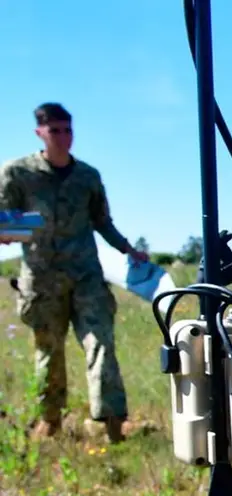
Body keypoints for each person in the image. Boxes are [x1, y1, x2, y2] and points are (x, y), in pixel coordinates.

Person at [0, 103, 149, 443]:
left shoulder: (87, 177)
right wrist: (25, 227)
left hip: (87, 278)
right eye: (56, 131)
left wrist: (128, 249)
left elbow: (101, 221)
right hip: (41, 281)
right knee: (49, 353)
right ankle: (49, 421)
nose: (64, 138)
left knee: (101, 344)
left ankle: (112, 423)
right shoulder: (16, 173)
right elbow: (4, 221)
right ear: (40, 132)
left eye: (68, 130)